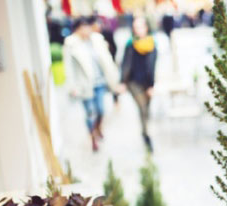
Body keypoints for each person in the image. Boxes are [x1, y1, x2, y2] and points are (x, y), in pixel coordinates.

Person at [63, 17, 120, 152]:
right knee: (90, 113)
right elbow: (68, 68)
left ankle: (98, 128)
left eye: (87, 27)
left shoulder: (97, 40)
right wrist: (72, 87)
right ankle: (93, 137)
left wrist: (114, 79)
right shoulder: (71, 44)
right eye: (83, 27)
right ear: (77, 29)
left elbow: (107, 60)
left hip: (99, 82)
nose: (86, 30)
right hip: (84, 84)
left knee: (101, 110)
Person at [120, 16, 158, 152]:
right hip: (133, 82)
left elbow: (152, 66)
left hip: (147, 83)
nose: (138, 30)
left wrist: (151, 85)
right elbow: (125, 64)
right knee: (142, 107)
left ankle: (146, 130)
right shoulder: (130, 44)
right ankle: (146, 136)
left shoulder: (152, 44)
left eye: (141, 27)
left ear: (146, 28)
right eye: (136, 27)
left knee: (147, 109)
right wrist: (122, 82)